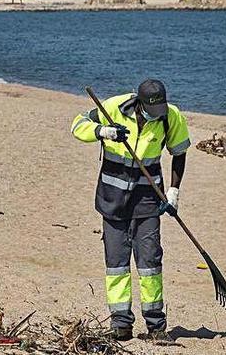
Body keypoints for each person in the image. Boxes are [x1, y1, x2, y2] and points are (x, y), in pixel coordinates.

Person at [71, 79, 190, 342]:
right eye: (152, 110)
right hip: (112, 198)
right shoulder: (113, 107)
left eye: (160, 109)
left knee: (150, 263)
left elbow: (179, 152)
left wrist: (174, 191)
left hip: (148, 199)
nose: (156, 115)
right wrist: (103, 131)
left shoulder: (170, 116)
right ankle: (121, 324)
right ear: (140, 102)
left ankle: (156, 326)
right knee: (116, 264)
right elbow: (77, 125)